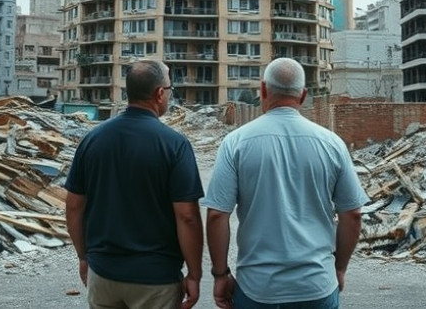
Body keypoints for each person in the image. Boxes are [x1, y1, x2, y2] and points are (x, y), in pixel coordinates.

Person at [203, 58, 368, 308]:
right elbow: (353, 214)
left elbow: (217, 215)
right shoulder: (332, 144)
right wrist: (339, 269)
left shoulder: (236, 143)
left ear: (263, 90)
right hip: (317, 287)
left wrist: (220, 274)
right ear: (303, 95)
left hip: (256, 288)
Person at [65, 60, 204, 309]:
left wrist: (84, 258)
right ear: (160, 93)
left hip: (103, 275)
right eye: (170, 88)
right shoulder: (175, 145)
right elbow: (188, 217)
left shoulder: (92, 140)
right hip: (155, 281)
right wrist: (194, 274)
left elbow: (74, 207)